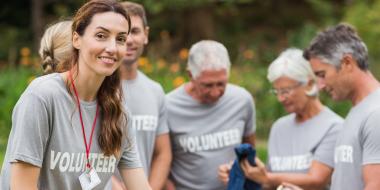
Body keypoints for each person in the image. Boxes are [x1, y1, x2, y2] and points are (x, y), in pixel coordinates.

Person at [0, 0, 151, 189]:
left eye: (120, 39)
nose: (112, 48)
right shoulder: (42, 97)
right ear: (76, 39)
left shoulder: (119, 114)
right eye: (101, 36)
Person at [219, 48, 343, 190]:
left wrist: (267, 177)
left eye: (285, 91)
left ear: (309, 84)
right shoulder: (279, 127)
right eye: (276, 91)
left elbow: (317, 180)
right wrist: (244, 173)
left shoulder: (334, 127)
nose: (280, 98)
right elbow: (270, 182)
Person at [166, 40, 256, 190]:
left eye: (221, 84)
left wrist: (237, 169)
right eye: (207, 85)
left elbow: (250, 153)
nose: (215, 93)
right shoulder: (169, 106)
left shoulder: (242, 100)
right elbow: (161, 161)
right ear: (190, 75)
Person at [303, 23, 380, 190]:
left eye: (322, 75)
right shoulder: (358, 110)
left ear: (347, 63)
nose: (321, 85)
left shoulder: (376, 114)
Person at [111, 2, 171, 190]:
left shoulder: (155, 91)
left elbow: (163, 153)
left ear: (146, 34)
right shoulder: (96, 88)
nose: (129, 40)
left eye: (135, 31)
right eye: (123, 33)